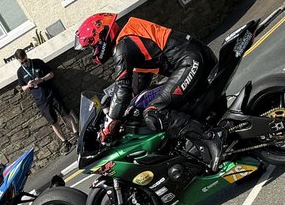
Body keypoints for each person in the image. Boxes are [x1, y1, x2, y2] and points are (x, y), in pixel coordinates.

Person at [74, 13, 225, 172]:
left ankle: (211, 137)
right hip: (195, 56)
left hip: (191, 62)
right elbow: (138, 83)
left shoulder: (122, 46)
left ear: (101, 37)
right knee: (149, 104)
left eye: (92, 46)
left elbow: (122, 87)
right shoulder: (128, 40)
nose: (93, 51)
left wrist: (111, 121)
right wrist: (126, 109)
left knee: (154, 112)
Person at [13, 48, 77, 151]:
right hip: (41, 100)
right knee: (53, 122)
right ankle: (65, 142)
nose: (25, 63)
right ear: (18, 61)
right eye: (22, 63)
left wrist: (41, 79)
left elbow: (51, 74)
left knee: (65, 114)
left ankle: (77, 134)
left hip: (51, 93)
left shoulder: (37, 62)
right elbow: (22, 88)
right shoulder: (20, 72)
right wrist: (28, 85)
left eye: (25, 61)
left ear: (26, 55)